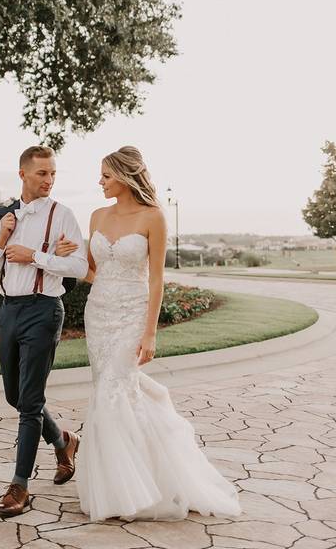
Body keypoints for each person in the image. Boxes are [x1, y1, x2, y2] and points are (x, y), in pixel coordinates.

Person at [54, 146, 241, 521]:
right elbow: (90, 271)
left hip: (132, 315)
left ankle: (132, 491)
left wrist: (150, 334)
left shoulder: (153, 217)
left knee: (113, 391)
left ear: (124, 176)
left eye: (106, 175)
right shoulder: (96, 216)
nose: (100, 182)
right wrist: (65, 257)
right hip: (99, 314)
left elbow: (157, 280)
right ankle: (118, 487)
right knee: (110, 393)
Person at [0, 145, 89, 518]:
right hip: (9, 311)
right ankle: (63, 442)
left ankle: (20, 487)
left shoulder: (63, 215)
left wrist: (37, 256)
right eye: (42, 173)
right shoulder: (4, 217)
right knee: (16, 397)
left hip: (44, 310)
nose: (49, 180)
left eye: (53, 173)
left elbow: (77, 266)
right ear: (23, 174)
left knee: (30, 403)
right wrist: (2, 240)